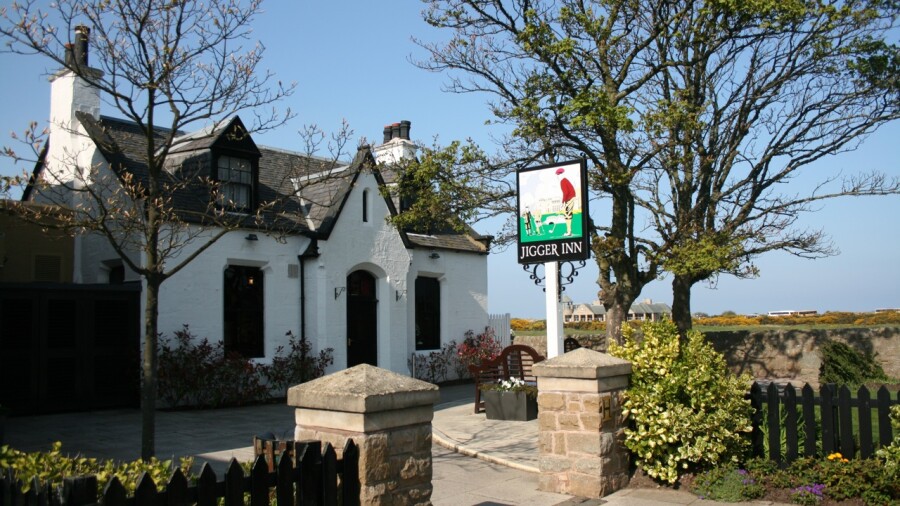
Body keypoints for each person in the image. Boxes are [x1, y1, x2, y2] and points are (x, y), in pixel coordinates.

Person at [556, 167, 576, 236]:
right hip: (570, 198)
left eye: (557, 175)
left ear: (560, 175)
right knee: (567, 215)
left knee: (568, 215)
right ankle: (568, 231)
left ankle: (569, 232)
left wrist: (563, 202)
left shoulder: (563, 181)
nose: (557, 176)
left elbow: (566, 192)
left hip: (570, 198)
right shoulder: (565, 180)